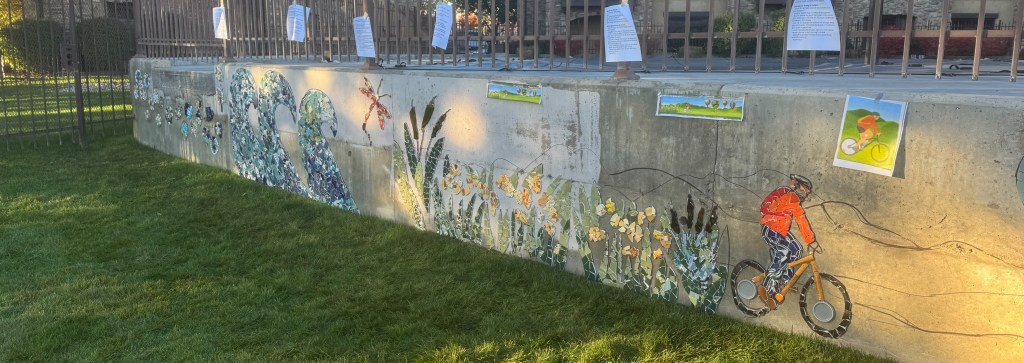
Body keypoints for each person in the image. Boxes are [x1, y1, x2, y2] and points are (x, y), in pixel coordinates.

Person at [757, 174, 820, 310]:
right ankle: (767, 291)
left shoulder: (795, 204)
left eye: (807, 192)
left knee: (796, 249)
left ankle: (786, 282)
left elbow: (801, 221)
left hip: (782, 232)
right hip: (770, 229)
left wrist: (811, 240)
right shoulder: (784, 192)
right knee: (784, 253)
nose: (806, 195)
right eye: (804, 190)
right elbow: (764, 208)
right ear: (796, 186)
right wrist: (777, 213)